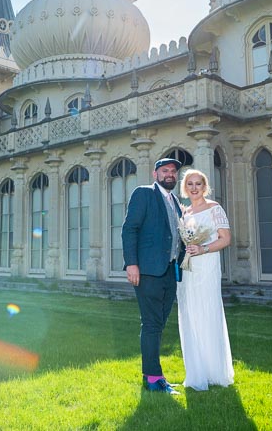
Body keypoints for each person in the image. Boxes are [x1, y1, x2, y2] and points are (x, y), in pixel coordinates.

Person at [122, 158, 186, 395]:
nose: (170, 174)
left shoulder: (176, 202)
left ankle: (153, 375)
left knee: (158, 324)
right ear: (155, 173)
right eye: (165, 170)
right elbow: (130, 229)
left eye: (173, 171)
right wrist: (132, 264)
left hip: (170, 271)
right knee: (151, 324)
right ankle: (153, 378)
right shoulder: (144, 193)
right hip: (147, 271)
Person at [176, 168, 234, 391]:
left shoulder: (214, 208)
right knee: (191, 313)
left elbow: (226, 239)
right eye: (190, 184)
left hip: (207, 264)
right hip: (189, 268)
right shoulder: (186, 213)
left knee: (208, 311)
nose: (194, 188)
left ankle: (215, 371)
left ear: (205, 186)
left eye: (198, 183)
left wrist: (203, 248)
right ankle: (196, 370)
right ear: (185, 188)